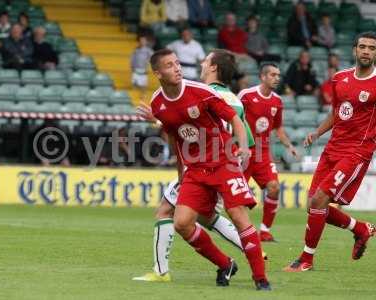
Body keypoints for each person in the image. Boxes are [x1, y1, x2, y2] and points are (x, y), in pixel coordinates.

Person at [140, 48, 271, 289]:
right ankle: (225, 263)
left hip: (223, 162)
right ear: (157, 73)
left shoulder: (201, 92)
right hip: (195, 171)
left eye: (178, 63)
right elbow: (174, 137)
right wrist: (181, 175)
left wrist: (242, 147)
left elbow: (233, 118)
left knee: (238, 216)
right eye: (170, 65)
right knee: (181, 222)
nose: (177, 68)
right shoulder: (157, 103)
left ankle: (261, 279)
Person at [284, 32, 376, 272]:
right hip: (332, 148)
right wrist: (317, 133)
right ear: (355, 50)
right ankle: (360, 229)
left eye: (372, 48)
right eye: (363, 47)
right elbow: (337, 113)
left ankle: (306, 260)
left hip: (356, 152)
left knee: (319, 200)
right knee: (313, 205)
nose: (366, 51)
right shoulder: (339, 78)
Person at [238, 63, 298, 242]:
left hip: (263, 153)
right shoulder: (246, 95)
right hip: (244, 151)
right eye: (273, 75)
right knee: (237, 196)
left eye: (278, 75)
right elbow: (233, 118)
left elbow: (278, 127)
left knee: (274, 187)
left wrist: (289, 145)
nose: (277, 78)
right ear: (263, 77)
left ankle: (264, 231)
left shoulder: (277, 101)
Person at [131, 35, 154, 101]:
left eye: (143, 41)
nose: (142, 42)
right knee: (134, 85)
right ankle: (135, 99)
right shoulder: (136, 50)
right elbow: (132, 59)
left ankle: (143, 98)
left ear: (146, 42)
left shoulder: (148, 51)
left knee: (143, 85)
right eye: (141, 41)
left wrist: (149, 67)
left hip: (144, 71)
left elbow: (153, 58)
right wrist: (132, 66)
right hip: (135, 70)